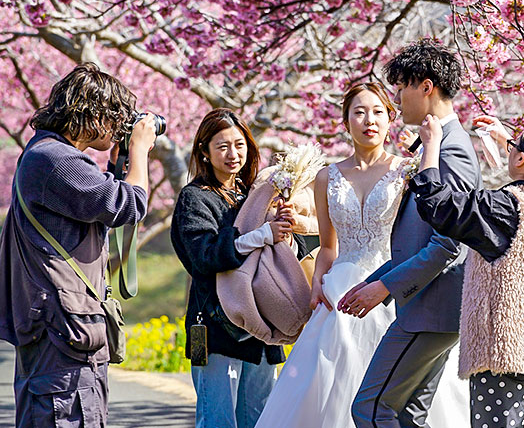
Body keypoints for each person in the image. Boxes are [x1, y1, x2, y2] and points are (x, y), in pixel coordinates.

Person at [255, 82, 469, 427]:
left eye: (378, 112)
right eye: (359, 112)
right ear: (346, 122)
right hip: (339, 293)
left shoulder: (408, 172)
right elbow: (328, 247)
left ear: (390, 119)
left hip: (392, 285)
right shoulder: (327, 176)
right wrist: (315, 287)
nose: (369, 120)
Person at [0, 62, 157, 427]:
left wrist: (117, 169)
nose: (120, 127)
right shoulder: (55, 160)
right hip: (61, 338)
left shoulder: (49, 156)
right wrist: (139, 151)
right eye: (115, 117)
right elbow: (129, 205)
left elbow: (99, 208)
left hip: (63, 333)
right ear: (91, 116)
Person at [410, 117, 524, 428]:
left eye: (515, 150)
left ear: (521, 158)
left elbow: (438, 206)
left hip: (504, 353)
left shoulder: (505, 207)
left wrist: (431, 146)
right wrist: (511, 141)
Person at [339, 40, 483, 428]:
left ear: (426, 86)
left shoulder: (451, 151)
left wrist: (384, 288)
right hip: (431, 307)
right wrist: (375, 280)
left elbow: (446, 246)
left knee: (370, 410)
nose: (397, 100)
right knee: (407, 415)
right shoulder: (437, 143)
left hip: (430, 309)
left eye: (401, 88)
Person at [170, 108, 301, 428]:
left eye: (240, 145)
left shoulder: (253, 195)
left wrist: (283, 231)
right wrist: (260, 235)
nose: (233, 154)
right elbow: (205, 256)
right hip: (216, 326)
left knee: (259, 418)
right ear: (204, 150)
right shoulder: (195, 198)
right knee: (218, 420)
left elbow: (275, 256)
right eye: (222, 146)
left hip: (259, 322)